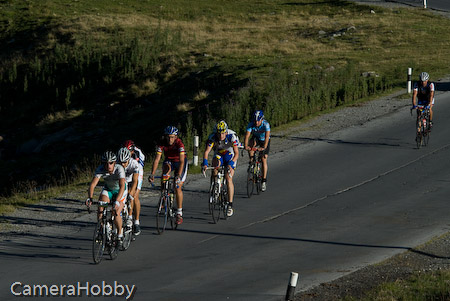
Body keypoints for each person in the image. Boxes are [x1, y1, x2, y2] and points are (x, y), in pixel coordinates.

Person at [86, 150, 128, 247]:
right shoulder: (100, 169)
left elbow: (122, 186)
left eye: (111, 163)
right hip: (108, 190)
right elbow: (92, 185)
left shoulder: (119, 168)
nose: (108, 165)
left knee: (116, 211)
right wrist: (90, 198)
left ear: (114, 163)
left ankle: (120, 234)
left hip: (121, 190)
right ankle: (102, 230)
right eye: (106, 163)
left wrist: (117, 201)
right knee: (101, 207)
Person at [148, 126, 188, 225]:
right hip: (169, 161)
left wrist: (178, 175)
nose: (170, 139)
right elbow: (157, 159)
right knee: (165, 172)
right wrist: (152, 174)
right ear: (165, 137)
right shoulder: (161, 143)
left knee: (177, 186)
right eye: (168, 137)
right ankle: (164, 194)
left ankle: (179, 213)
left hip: (180, 162)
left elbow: (182, 161)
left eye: (172, 137)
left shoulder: (179, 143)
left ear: (176, 137)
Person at [202, 120, 239, 217]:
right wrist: (205, 163)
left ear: (226, 132)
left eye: (223, 133)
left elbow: (237, 153)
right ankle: (214, 186)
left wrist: (231, 163)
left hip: (230, 154)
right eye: (219, 133)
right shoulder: (213, 137)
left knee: (228, 178)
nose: (221, 136)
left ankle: (230, 205)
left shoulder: (232, 136)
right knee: (215, 167)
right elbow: (206, 152)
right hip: (219, 154)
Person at [244, 110, 270, 192]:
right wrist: (246, 146)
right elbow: (247, 136)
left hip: (264, 141)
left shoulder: (266, 124)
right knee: (251, 145)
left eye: (258, 121)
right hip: (256, 139)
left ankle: (264, 181)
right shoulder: (251, 124)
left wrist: (264, 148)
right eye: (255, 120)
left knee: (263, 158)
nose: (256, 122)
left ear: (262, 119)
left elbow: (267, 137)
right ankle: (252, 162)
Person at [123, 140, 144, 235]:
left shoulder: (137, 155)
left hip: (137, 171)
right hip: (127, 173)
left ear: (132, 151)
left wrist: (132, 190)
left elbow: (136, 175)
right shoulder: (122, 154)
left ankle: (136, 222)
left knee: (134, 195)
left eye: (129, 152)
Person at [117, 147, 140, 234]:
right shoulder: (117, 163)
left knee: (132, 196)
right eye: (120, 162)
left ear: (128, 160)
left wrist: (131, 192)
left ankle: (132, 219)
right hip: (122, 181)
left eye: (124, 162)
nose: (122, 164)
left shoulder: (134, 163)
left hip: (131, 180)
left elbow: (135, 181)